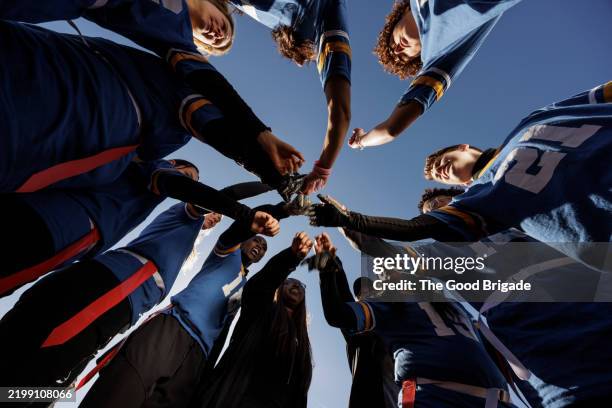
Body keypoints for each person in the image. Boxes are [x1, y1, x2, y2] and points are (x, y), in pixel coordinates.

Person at [310, 83, 612, 270]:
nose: (439, 171)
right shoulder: (481, 198)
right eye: (438, 177)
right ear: (461, 187)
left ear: (464, 147)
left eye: (441, 160)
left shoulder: (530, 123)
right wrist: (349, 219)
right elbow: (415, 229)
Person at [0, 192, 279, 390]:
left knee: (61, 378)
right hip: (112, 287)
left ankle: (26, 396)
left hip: (124, 310)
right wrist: (259, 194)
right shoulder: (182, 217)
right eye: (214, 212)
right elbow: (215, 199)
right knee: (42, 353)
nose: (215, 218)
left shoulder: (186, 251)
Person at [0, 20, 303, 195]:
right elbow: (213, 112)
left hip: (45, 142)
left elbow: (211, 120)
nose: (217, 36)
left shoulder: (171, 130)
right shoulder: (175, 59)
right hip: (51, 97)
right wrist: (268, 157)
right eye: (214, 41)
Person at [79, 201, 302, 407]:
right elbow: (235, 231)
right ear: (245, 240)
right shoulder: (226, 255)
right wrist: (281, 211)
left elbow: (225, 330)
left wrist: (205, 372)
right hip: (174, 329)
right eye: (256, 240)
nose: (259, 246)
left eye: (264, 248)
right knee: (121, 392)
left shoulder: (247, 288)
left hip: (197, 359)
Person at [0, 159, 274, 297]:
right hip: (54, 225)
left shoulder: (181, 229)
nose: (215, 217)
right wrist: (269, 185)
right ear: (174, 165)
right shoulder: (173, 195)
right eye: (189, 176)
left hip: (72, 246)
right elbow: (226, 193)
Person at [310, 234, 514, 408]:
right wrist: (329, 267)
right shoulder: (381, 315)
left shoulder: (449, 305)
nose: (383, 276)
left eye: (386, 272)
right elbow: (340, 313)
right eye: (381, 275)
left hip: (495, 397)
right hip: (433, 397)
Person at [349, 0, 521, 148]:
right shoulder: (438, 54)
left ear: (403, 13)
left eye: (391, 43)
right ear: (418, 56)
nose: (396, 49)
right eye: (402, 57)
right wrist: (361, 141)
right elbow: (391, 129)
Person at [229, 0, 352, 193]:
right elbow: (340, 113)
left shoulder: (282, 16)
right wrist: (322, 169)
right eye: (307, 57)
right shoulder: (324, 20)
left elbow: (341, 114)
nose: (302, 63)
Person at [195, 231, 314, 408]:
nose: (295, 284)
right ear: (278, 290)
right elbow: (260, 285)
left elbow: (300, 391)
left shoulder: (301, 342)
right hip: (238, 398)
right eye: (289, 282)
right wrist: (291, 257)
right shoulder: (262, 311)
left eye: (300, 284)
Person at [315, 233, 399, 408]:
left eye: (371, 289)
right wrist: (330, 261)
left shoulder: (398, 315)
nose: (366, 293)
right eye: (361, 293)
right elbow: (342, 302)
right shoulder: (360, 328)